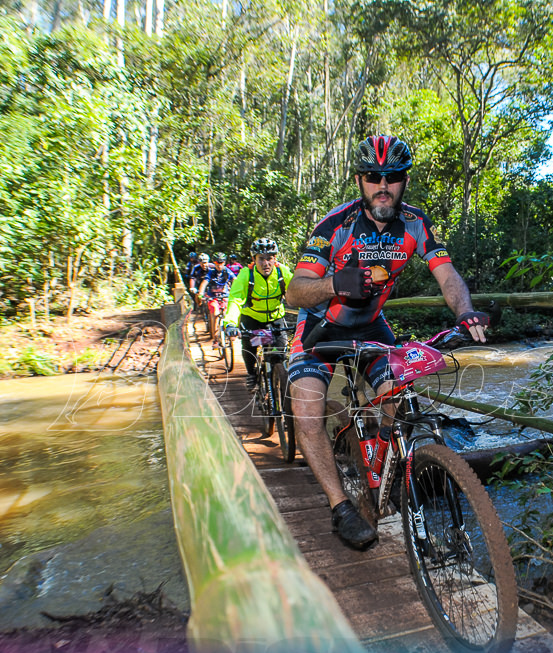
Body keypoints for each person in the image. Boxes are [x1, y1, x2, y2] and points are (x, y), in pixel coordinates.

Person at [284, 134, 489, 551]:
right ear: (359, 180)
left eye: (392, 177)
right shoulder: (335, 226)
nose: (383, 185)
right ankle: (341, 506)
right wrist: (333, 283)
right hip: (322, 330)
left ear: (404, 181)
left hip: (373, 326)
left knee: (399, 401)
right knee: (307, 409)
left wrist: (464, 312)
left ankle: (385, 464)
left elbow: (447, 275)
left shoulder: (415, 223)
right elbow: (294, 292)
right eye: (373, 176)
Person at [222, 238, 295, 390]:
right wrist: (230, 323)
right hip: (253, 318)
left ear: (275, 259)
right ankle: (251, 374)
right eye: (261, 259)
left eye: (269, 258)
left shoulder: (283, 273)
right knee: (250, 347)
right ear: (254, 259)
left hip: (275, 319)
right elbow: (235, 300)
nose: (266, 263)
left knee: (280, 355)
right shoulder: (245, 276)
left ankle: (276, 379)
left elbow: (299, 291)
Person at [199, 252, 234, 346]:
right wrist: (201, 293)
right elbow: (204, 283)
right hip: (213, 296)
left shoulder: (227, 271)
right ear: (214, 263)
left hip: (225, 296)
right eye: (217, 263)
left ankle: (230, 333)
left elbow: (235, 280)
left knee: (228, 312)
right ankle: (215, 339)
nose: (219, 265)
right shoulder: (211, 272)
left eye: (221, 263)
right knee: (215, 312)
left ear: (224, 262)